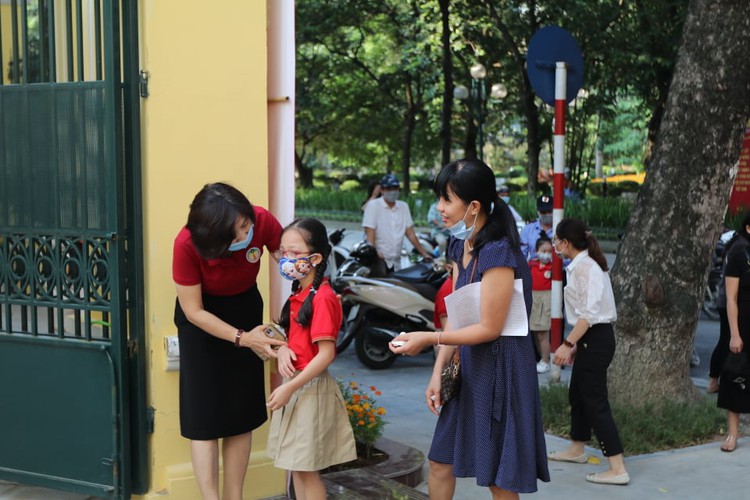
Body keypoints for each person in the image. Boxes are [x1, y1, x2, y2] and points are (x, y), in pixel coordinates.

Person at [390, 159, 550, 498]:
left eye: (447, 199)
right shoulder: (459, 245)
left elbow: (491, 328)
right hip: (469, 364)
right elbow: (459, 314)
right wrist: (438, 371)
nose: (439, 208)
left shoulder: (498, 252)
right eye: (440, 198)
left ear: (474, 206)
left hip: (503, 367)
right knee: (440, 461)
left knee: (498, 477)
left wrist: (430, 338)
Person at [172, 182, 288, 500]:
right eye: (235, 232)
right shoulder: (186, 244)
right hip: (202, 321)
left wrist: (305, 286)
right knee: (204, 417)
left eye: (245, 225)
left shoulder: (261, 220)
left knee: (241, 413)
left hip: (245, 308)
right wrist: (242, 338)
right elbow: (193, 310)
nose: (244, 235)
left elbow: (286, 258)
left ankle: (233, 496)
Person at [266, 218, 357, 497]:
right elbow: (292, 340)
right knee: (299, 468)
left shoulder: (323, 298)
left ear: (315, 258)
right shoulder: (301, 293)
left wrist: (289, 387)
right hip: (299, 388)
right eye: (283, 252)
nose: (286, 259)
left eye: (294, 253)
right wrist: (281, 348)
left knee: (307, 470)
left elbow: (326, 355)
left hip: (310, 390)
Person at [549, 218, 629, 486]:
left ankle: (617, 467)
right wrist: (575, 343)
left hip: (595, 337)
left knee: (594, 400)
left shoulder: (586, 268)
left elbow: (589, 315)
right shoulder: (580, 266)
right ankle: (577, 447)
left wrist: (567, 344)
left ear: (566, 243)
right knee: (579, 394)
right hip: (589, 338)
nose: (554, 245)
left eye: (556, 241)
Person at [716, 210, 750, 452]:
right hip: (743, 326)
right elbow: (731, 298)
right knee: (735, 378)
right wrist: (735, 333)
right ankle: (732, 435)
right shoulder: (739, 251)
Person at [362, 173, 433, 271]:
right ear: (382, 190)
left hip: (396, 261)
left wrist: (424, 254)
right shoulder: (373, 206)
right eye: (389, 189)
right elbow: (370, 234)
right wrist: (375, 254)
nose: (392, 192)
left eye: (395, 188)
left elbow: (411, 234)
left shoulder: (403, 207)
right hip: (379, 260)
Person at [529, 237, 553, 374]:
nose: (547, 254)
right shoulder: (531, 265)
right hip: (534, 299)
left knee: (543, 333)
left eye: (550, 251)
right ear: (536, 251)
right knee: (536, 333)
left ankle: (546, 360)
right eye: (544, 250)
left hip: (546, 300)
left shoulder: (553, 267)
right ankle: (542, 360)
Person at [520, 195, 554, 261]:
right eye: (543, 212)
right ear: (538, 212)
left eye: (549, 211)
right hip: (534, 269)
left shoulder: (561, 229)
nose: (547, 214)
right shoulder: (528, 230)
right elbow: (521, 255)